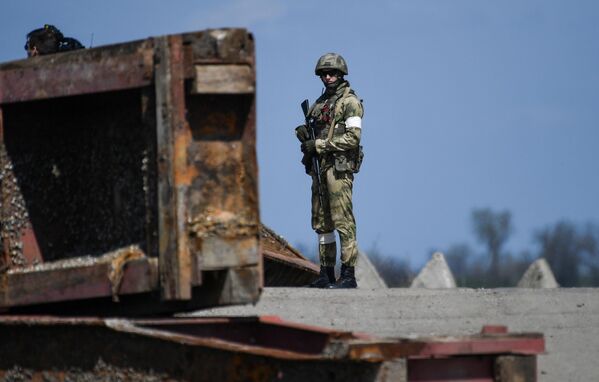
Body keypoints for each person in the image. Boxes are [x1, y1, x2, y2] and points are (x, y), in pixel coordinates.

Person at [296, 53, 364, 289]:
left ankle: (348, 275)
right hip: (320, 168)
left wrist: (320, 145)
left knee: (343, 221)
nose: (328, 77)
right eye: (324, 73)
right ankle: (326, 273)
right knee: (322, 223)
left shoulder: (350, 102)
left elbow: (353, 139)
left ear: (341, 74)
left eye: (332, 73)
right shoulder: (319, 104)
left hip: (338, 168)